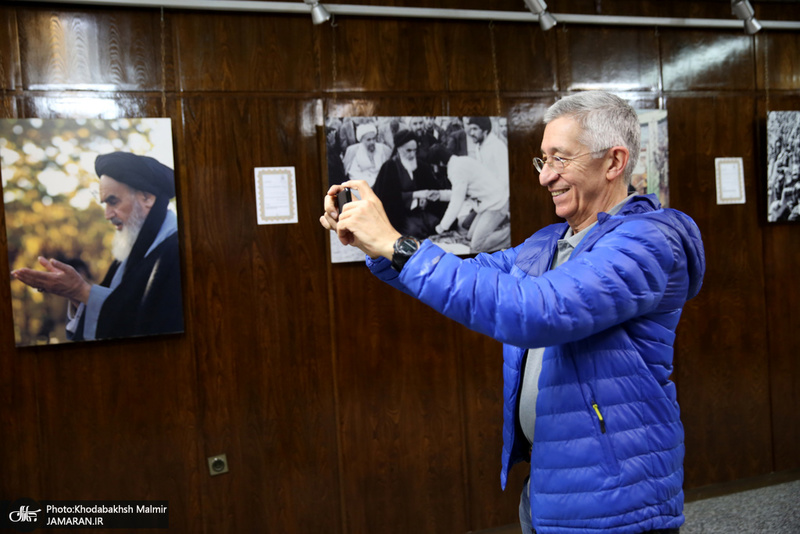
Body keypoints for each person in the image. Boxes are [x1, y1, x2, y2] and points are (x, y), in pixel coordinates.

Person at [320, 91, 705, 534]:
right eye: (543, 160)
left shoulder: (647, 241)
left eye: (560, 159)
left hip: (617, 494)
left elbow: (537, 312)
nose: (546, 177)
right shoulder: (549, 242)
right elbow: (471, 277)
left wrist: (397, 245)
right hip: (551, 481)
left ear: (614, 163)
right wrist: (377, 243)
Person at [12, 152, 184, 341]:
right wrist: (75, 295)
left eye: (113, 201)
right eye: (105, 204)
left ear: (147, 197)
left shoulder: (179, 251)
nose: (108, 214)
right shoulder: (128, 257)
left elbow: (156, 325)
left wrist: (82, 290)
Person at [372, 129, 450, 238]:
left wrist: (427, 198)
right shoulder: (390, 167)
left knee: (437, 224)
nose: (412, 154)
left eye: (414, 150)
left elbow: (433, 187)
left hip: (421, 211)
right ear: (399, 149)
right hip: (401, 214)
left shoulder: (421, 165)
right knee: (415, 231)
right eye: (408, 151)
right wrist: (415, 195)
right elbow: (389, 198)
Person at [431, 147, 510, 253]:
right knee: (469, 237)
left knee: (476, 247)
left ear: (439, 163)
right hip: (488, 203)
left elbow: (456, 202)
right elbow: (460, 194)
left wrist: (442, 226)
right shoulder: (461, 161)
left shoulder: (456, 171)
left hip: (496, 204)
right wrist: (439, 195)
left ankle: (509, 234)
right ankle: (500, 224)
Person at [466, 116, 510, 185]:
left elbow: (505, 178)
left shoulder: (497, 146)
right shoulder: (478, 146)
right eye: (471, 129)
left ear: (485, 131)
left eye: (475, 129)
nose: (471, 133)